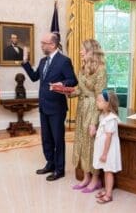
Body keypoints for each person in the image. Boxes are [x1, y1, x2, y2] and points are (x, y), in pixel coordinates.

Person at [21, 32, 78, 181]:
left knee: (58, 139)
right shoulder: (42, 61)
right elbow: (34, 78)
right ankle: (50, 164)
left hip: (57, 108)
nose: (41, 46)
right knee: (46, 138)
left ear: (52, 44)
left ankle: (60, 169)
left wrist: (63, 84)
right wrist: (25, 62)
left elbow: (72, 80)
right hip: (44, 106)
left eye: (43, 43)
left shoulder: (64, 61)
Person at [70, 39, 106, 193]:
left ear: (91, 50)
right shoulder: (83, 67)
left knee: (92, 145)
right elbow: (81, 89)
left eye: (82, 49)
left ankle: (96, 179)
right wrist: (67, 92)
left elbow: (100, 96)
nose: (80, 51)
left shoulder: (101, 69)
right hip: (82, 108)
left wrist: (94, 122)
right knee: (82, 142)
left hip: (93, 108)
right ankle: (86, 177)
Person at [93, 89, 121, 204]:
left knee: (108, 171)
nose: (97, 102)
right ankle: (107, 190)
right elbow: (102, 132)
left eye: (99, 100)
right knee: (105, 170)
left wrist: (104, 154)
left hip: (108, 150)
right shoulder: (103, 115)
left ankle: (109, 194)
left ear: (107, 104)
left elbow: (108, 137)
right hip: (103, 149)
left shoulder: (111, 119)